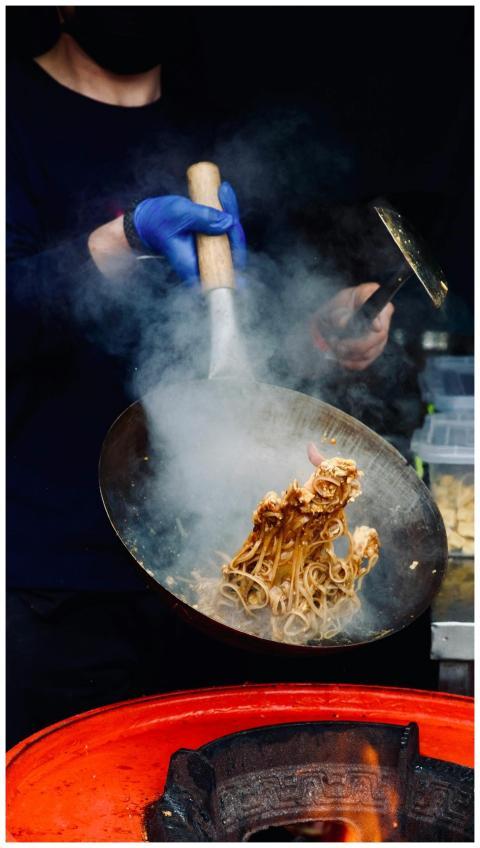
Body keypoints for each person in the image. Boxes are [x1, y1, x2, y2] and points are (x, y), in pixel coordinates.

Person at [7, 6, 394, 748]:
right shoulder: (13, 112)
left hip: (220, 580)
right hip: (54, 583)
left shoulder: (212, 128)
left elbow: (255, 333)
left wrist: (322, 329)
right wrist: (120, 239)